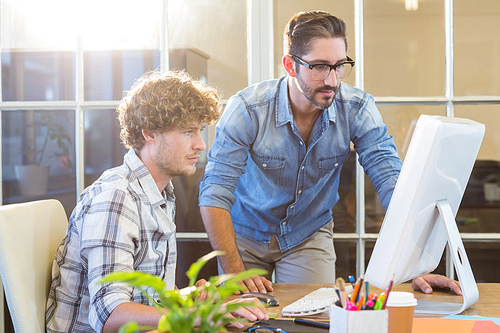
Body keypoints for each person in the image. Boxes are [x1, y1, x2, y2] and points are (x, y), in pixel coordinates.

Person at [198, 10, 462, 296]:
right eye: (320, 66)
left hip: (307, 233)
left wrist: (416, 265)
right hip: (244, 233)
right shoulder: (248, 109)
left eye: (339, 66)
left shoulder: (357, 108)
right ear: (290, 65)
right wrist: (234, 272)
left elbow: (393, 184)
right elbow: (214, 193)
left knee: (317, 316)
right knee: (245, 315)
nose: (333, 80)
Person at [45, 70, 268, 333]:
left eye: (200, 131)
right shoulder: (115, 197)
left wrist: (184, 299)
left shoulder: (160, 193)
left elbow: (144, 295)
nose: (200, 144)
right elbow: (110, 315)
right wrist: (199, 315)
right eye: (188, 132)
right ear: (149, 132)